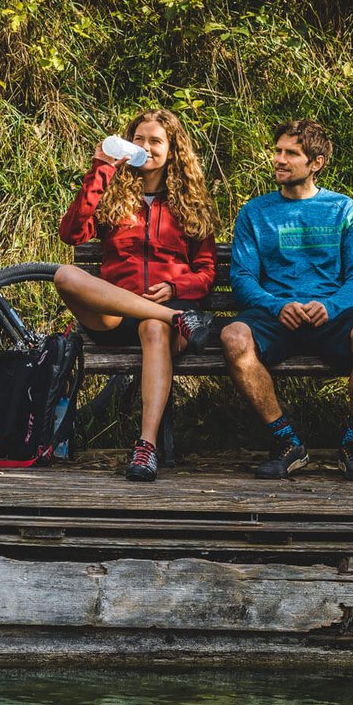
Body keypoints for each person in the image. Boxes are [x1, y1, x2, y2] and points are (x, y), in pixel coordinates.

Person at [55, 109, 220, 482]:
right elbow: (72, 233)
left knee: (154, 328)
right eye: (140, 139)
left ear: (172, 149)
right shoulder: (114, 194)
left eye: (156, 141)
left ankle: (145, 447)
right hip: (117, 313)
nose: (146, 147)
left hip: (170, 311)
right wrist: (102, 169)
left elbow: (206, 273)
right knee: (65, 275)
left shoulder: (191, 203)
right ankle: (173, 320)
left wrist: (177, 289)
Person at [220, 119, 353, 482]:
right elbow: (242, 277)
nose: (278, 159)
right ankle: (286, 442)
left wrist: (332, 306)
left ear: (316, 162)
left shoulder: (344, 210)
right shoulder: (255, 212)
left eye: (290, 153)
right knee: (233, 336)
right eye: (277, 151)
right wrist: (276, 305)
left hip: (332, 313)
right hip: (277, 315)